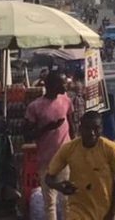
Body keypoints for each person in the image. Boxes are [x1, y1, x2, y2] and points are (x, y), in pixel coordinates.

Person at [46, 110, 115, 220]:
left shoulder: (111, 149)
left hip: (103, 211)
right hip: (77, 209)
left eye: (96, 129)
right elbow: (49, 178)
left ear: (101, 129)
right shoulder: (69, 149)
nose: (92, 133)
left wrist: (112, 211)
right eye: (87, 128)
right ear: (80, 129)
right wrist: (59, 186)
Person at [25, 71, 75, 220]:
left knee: (67, 200)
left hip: (65, 159)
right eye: (62, 83)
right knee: (50, 202)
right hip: (46, 161)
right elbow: (27, 135)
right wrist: (48, 128)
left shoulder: (66, 100)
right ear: (52, 85)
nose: (65, 86)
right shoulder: (35, 107)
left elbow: (71, 125)